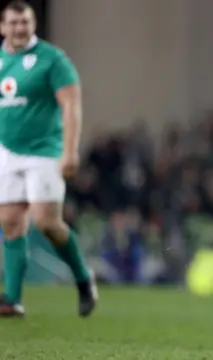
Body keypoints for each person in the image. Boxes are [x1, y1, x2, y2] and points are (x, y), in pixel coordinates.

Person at [0, 0, 98, 318]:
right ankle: (12, 299)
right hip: (7, 150)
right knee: (12, 222)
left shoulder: (51, 59)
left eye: (24, 22)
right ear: (3, 27)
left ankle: (84, 280)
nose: (19, 28)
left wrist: (70, 150)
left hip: (44, 151)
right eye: (13, 22)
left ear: (33, 25)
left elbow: (71, 105)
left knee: (46, 223)